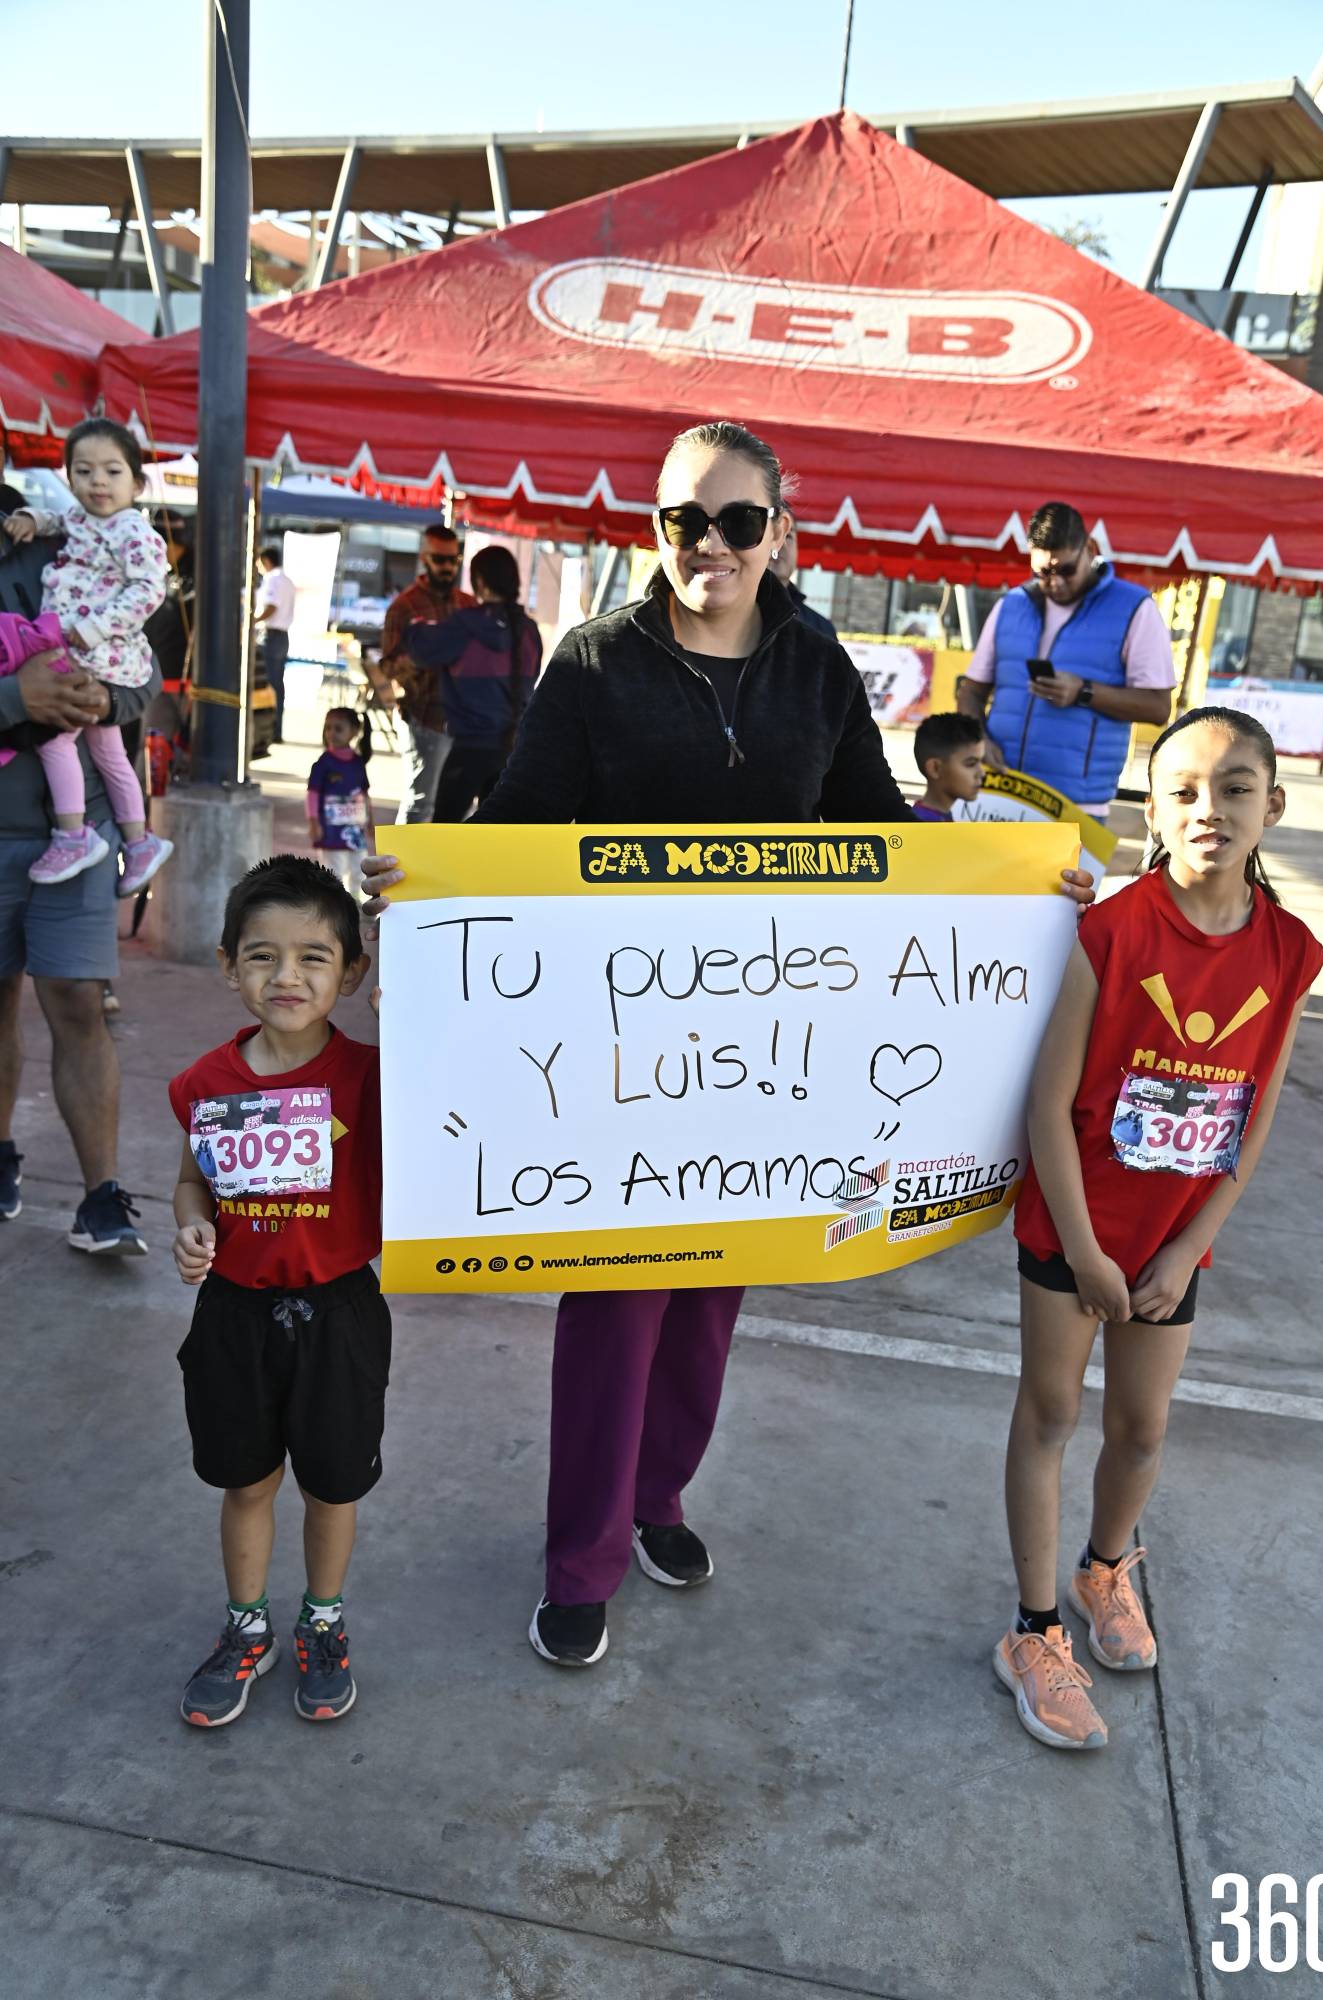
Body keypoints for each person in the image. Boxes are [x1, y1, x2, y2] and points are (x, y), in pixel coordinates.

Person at [363, 418, 1096, 1672]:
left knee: (712, 1295)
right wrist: (427, 881)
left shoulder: (816, 663)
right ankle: (580, 1556)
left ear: (779, 530)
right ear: (655, 531)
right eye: (681, 520)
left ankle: (660, 1501)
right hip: (620, 1046)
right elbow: (523, 827)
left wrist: (1022, 886)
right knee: (616, 1302)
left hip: (774, 1052)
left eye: (735, 520)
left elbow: (879, 837)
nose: (707, 543)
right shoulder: (594, 660)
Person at [994, 706, 1323, 1752]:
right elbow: (1047, 1106)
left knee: (1139, 1428)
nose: (1208, 809)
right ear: (1152, 808)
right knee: (1049, 1414)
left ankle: (1104, 1566)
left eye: (1233, 788)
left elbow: (1251, 1116)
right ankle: (1034, 1628)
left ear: (1271, 805)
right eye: (1182, 789)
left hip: (1174, 1239)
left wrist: (1186, 1246)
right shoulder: (1114, 928)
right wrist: (1085, 1252)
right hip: (1074, 1225)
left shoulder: (1290, 949)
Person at [168, 855, 386, 1728]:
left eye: (313, 957)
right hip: (232, 1313)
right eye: (261, 956)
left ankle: (322, 1622)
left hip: (341, 1311)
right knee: (247, 1482)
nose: (286, 976)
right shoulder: (206, 1084)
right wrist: (192, 1227)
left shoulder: (375, 1079)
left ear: (353, 973)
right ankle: (245, 1625)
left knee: (333, 1487)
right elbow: (190, 1181)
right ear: (227, 965)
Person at [0, 486, 156, 1251]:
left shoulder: (64, 531)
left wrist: (112, 696)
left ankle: (101, 1197)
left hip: (80, 833)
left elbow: (145, 666)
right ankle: (1, 1158)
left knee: (77, 1004)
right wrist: (11, 698)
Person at [2, 419, 174, 894]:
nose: (98, 481)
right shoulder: (81, 519)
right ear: (69, 477)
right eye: (84, 471)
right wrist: (35, 519)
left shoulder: (133, 531)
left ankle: (73, 834)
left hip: (100, 652)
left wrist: (91, 630)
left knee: (56, 741)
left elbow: (148, 590)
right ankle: (139, 841)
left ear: (137, 483)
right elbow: (59, 520)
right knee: (109, 752)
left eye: (112, 471)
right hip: (91, 649)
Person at [956, 502, 1174, 814]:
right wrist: (977, 741)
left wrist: (1084, 692)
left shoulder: (1135, 608)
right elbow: (971, 692)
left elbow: (1157, 707)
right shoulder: (1011, 604)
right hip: (998, 791)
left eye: (1066, 570)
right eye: (1042, 572)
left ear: (1090, 548)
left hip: (1077, 805)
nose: (1055, 582)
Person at [405, 544, 542, 823]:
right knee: (497, 838)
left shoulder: (465, 625)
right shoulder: (529, 630)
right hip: (512, 751)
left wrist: (418, 623)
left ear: (479, 581)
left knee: (445, 831)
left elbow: (420, 650)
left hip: (468, 750)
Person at [373, 523, 475, 824]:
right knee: (421, 802)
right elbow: (388, 665)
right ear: (424, 559)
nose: (447, 567)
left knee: (457, 804)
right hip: (423, 716)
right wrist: (424, 654)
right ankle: (406, 870)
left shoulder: (467, 604)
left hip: (464, 720)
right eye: (439, 560)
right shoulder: (404, 606)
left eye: (453, 560)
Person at [307, 707, 373, 889]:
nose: (331, 733)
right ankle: (335, 909)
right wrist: (314, 822)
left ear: (354, 731)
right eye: (328, 728)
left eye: (338, 728)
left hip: (355, 830)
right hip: (330, 830)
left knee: (359, 868)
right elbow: (312, 794)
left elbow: (364, 795)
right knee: (333, 871)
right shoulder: (323, 763)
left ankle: (356, 905)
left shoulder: (358, 763)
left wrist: (370, 822)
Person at [768, 508, 837, 638]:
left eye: (788, 536)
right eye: (773, 533)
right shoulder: (727, 616)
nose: (780, 544)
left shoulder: (820, 629)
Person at [253, 544, 296, 744]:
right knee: (277, 685)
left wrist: (253, 621)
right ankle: (276, 729)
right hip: (282, 637)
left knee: (268, 685)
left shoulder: (272, 579)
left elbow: (272, 606)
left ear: (265, 561)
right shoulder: (286, 580)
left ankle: (271, 730)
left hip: (271, 636)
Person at [911, 712, 986, 821]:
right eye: (970, 764)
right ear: (935, 768)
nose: (981, 773)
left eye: (981, 762)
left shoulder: (940, 817)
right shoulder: (922, 828)